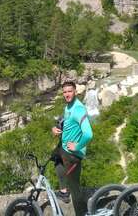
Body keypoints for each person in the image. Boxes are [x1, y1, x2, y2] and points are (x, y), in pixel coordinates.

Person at [51, 80, 93, 216]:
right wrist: (56, 129)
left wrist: (77, 146)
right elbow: (66, 123)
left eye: (70, 91)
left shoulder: (78, 109)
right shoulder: (68, 106)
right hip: (64, 149)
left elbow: (88, 134)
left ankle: (83, 213)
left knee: (75, 190)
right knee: (56, 160)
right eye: (64, 92)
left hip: (72, 155)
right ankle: (63, 192)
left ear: (75, 92)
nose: (67, 94)